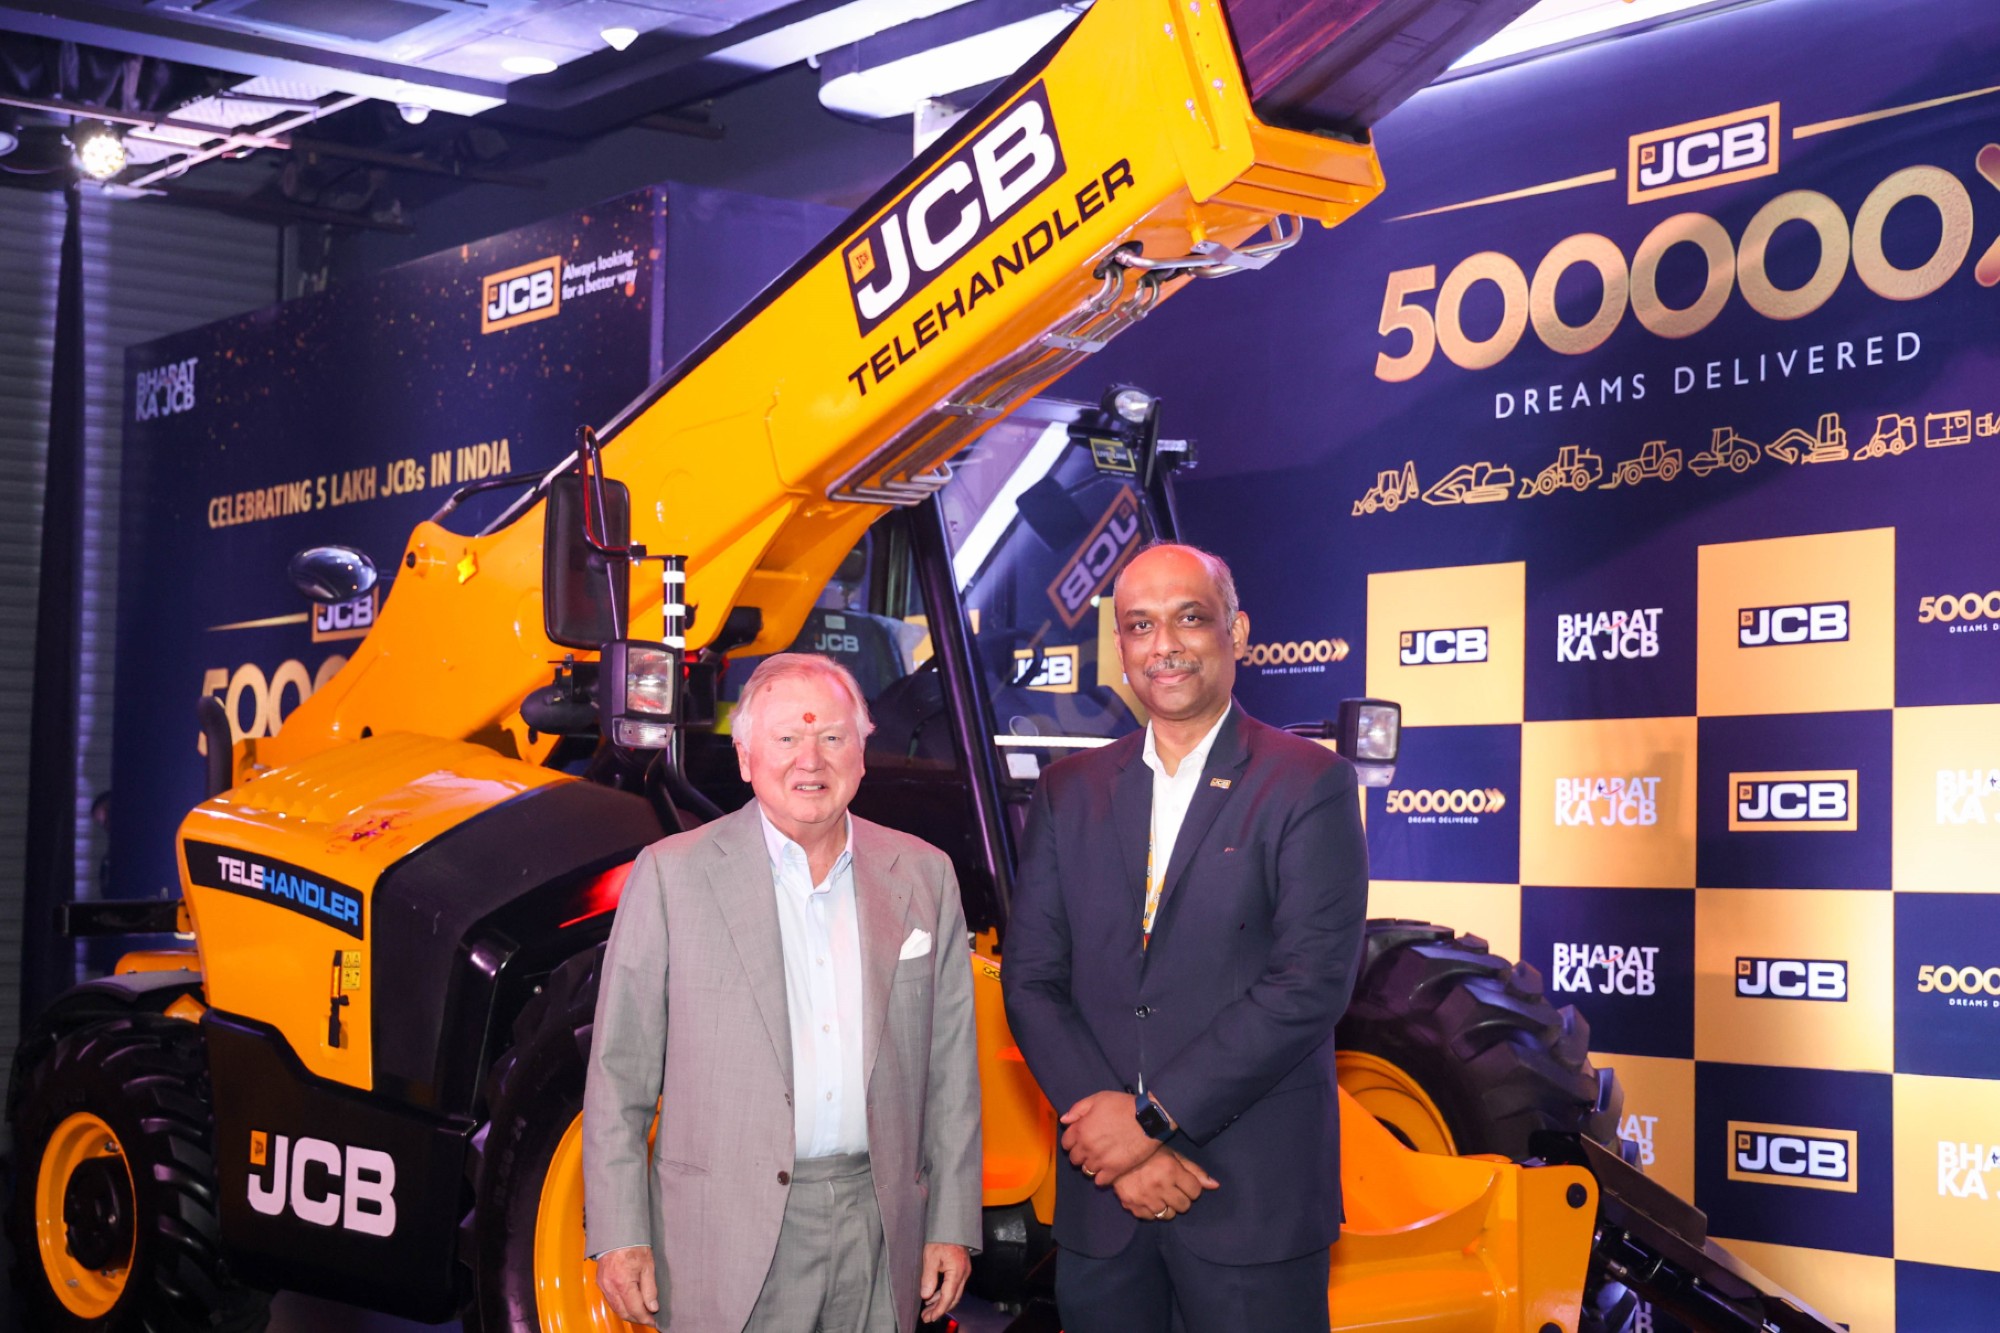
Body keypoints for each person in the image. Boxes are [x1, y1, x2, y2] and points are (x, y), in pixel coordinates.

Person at [1001, 542, 1370, 1332]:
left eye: (1189, 618)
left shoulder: (1309, 782)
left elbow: (1309, 984)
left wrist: (1148, 1122)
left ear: (1236, 632)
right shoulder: (1068, 791)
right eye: (1140, 625)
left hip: (1250, 1203)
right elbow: (1031, 978)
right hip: (1104, 1204)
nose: (1163, 644)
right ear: (1121, 647)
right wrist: (1114, 1142)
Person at [583, 653, 982, 1332]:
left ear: (862, 754)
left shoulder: (925, 875)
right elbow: (619, 1072)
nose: (811, 760)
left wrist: (950, 1222)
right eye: (787, 737)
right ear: (745, 757)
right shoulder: (672, 877)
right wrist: (621, 1232)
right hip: (722, 1235)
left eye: (832, 737)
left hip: (879, 1226)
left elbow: (951, 1071)